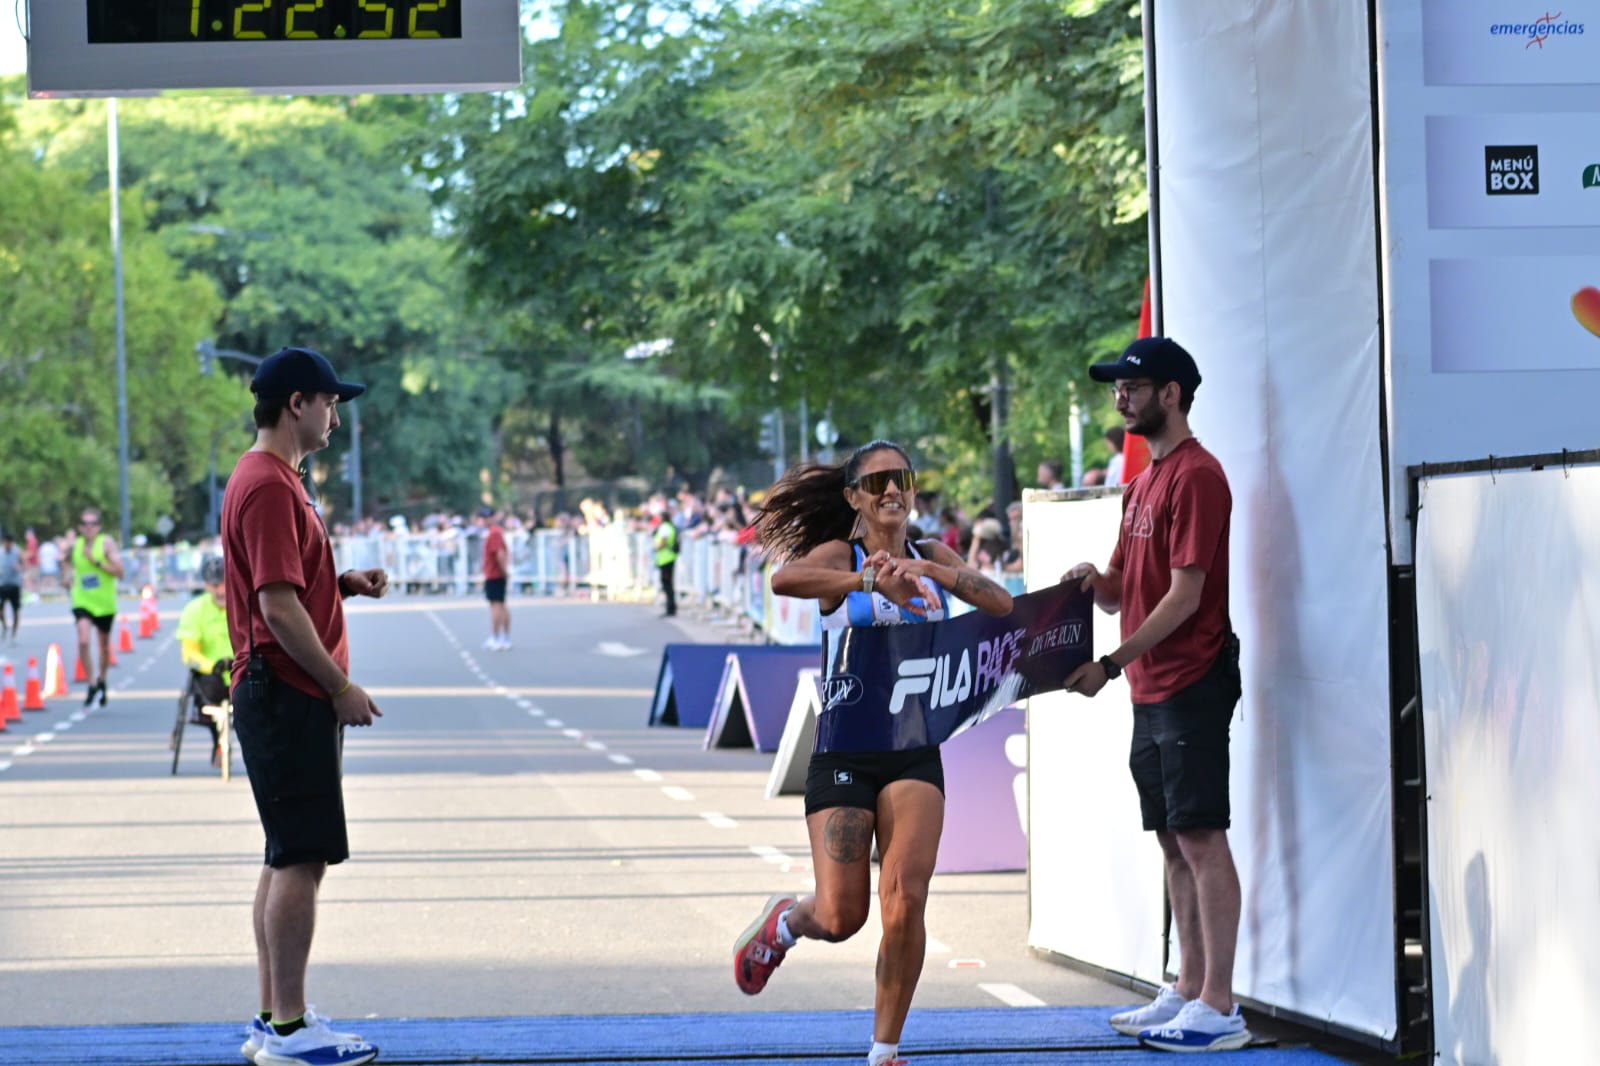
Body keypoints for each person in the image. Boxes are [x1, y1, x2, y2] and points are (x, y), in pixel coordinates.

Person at [738, 440, 1014, 1066]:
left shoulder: (930, 553)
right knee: (841, 916)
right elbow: (787, 578)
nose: (893, 490)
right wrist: (867, 580)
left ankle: (884, 1051)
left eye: (903, 479)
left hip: (914, 748)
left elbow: (1001, 604)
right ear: (855, 497)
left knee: (906, 898)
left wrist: (936, 573)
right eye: (878, 481)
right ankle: (785, 922)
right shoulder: (845, 554)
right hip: (845, 750)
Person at [1059, 337, 1247, 1053]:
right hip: (1150, 683)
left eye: (1133, 385)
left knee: (1201, 836)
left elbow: (1184, 598)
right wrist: (1091, 583)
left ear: (1171, 393)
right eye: (1117, 386)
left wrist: (1109, 665)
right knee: (1174, 839)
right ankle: (1188, 988)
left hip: (1190, 679)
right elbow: (1121, 591)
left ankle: (1221, 1005)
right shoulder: (1142, 482)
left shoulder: (1199, 476)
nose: (1120, 396)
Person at [222, 346, 384, 1066]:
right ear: (297, 404)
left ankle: (272, 1016)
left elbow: (289, 586)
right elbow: (276, 607)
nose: (335, 417)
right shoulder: (267, 484)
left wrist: (339, 583)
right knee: (300, 858)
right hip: (286, 689)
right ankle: (288, 1028)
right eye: (330, 403)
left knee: (287, 854)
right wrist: (338, 687)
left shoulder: (278, 481)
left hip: (280, 687)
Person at [176, 556, 234, 767]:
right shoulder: (194, 610)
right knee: (210, 685)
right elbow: (189, 654)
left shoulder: (245, 605)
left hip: (243, 671)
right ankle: (217, 741)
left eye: (225, 583)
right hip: (212, 675)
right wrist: (213, 666)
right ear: (206, 585)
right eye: (215, 585)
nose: (221, 591)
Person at [65, 508, 124, 706]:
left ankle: (102, 679)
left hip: (104, 603)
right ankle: (91, 682)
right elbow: (66, 565)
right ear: (79, 527)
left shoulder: (106, 543)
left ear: (98, 526)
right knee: (83, 640)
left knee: (103, 647)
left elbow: (120, 572)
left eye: (92, 524)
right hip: (82, 600)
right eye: (84, 524)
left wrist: (96, 561)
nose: (88, 528)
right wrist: (66, 578)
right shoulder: (75, 546)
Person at [479, 506, 511, 650]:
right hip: (495, 573)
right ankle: (504, 637)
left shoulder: (494, 533)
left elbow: (500, 553)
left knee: (496, 606)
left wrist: (504, 571)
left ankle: (497, 637)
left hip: (495, 574)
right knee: (501, 604)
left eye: (488, 517)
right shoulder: (494, 532)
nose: (485, 520)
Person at [653, 504, 678, 618]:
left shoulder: (665, 527)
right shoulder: (669, 526)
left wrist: (656, 548)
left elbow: (662, 542)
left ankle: (670, 607)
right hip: (666, 558)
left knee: (667, 584)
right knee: (667, 584)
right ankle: (670, 606)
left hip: (666, 558)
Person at [0, 532, 22, 644]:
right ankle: (4, 626)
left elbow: (25, 563)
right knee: (1, 609)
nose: (7, 545)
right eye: (5, 543)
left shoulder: (17, 552)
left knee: (15, 611)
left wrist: (19, 567)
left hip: (14, 585)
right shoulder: (0, 553)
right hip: (2, 584)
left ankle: (14, 635)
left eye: (9, 543)